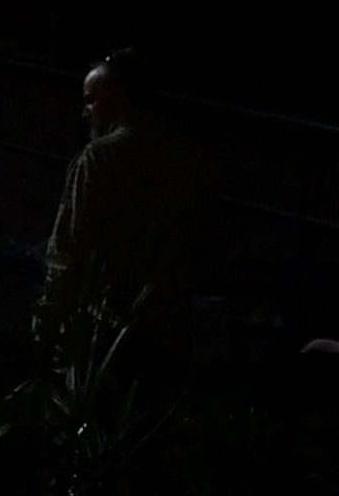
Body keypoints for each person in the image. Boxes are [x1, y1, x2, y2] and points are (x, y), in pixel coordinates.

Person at [40, 52, 212, 342]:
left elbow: (72, 247)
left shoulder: (100, 157)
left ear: (119, 95)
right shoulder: (185, 153)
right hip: (166, 315)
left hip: (104, 318)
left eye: (92, 100)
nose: (86, 112)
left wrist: (49, 317)